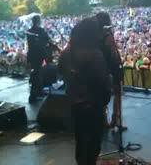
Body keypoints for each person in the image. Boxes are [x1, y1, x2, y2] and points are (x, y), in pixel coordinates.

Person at [57, 17, 111, 165]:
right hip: (93, 104)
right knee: (93, 145)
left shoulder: (68, 50)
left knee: (81, 142)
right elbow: (102, 81)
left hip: (74, 102)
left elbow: (60, 69)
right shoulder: (94, 53)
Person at [96, 12, 125, 129]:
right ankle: (115, 118)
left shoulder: (96, 35)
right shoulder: (108, 35)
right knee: (117, 92)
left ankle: (104, 120)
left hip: (101, 67)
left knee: (103, 95)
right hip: (113, 67)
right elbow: (113, 53)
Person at [26, 15, 51, 103]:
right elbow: (47, 39)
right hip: (39, 55)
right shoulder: (40, 31)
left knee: (37, 73)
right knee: (37, 74)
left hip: (32, 55)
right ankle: (33, 96)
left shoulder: (29, 31)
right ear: (38, 21)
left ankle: (39, 92)